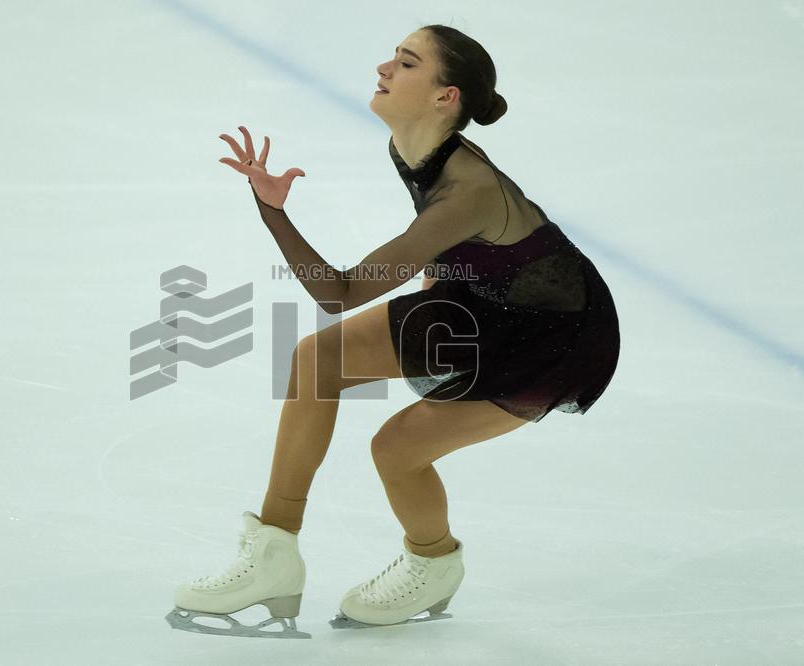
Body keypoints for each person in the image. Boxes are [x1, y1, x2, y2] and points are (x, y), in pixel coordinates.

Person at [167, 24, 620, 637]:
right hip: (479, 297)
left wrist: (273, 210)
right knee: (317, 359)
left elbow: (339, 293)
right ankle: (274, 553)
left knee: (397, 450)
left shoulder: (468, 190)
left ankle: (433, 564)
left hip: (554, 340)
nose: (384, 67)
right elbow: (454, 239)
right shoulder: (412, 146)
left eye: (407, 63)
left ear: (444, 96)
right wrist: (434, 285)